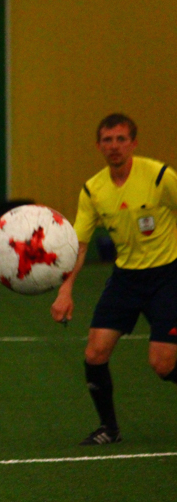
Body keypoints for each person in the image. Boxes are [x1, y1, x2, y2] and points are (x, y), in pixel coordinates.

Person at [51, 113, 177, 445]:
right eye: (107, 140)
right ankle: (110, 429)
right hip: (126, 280)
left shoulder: (160, 176)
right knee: (95, 354)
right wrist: (65, 290)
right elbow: (79, 244)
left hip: (168, 277)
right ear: (98, 146)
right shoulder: (93, 190)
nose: (114, 146)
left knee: (162, 365)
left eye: (121, 139)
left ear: (133, 143)